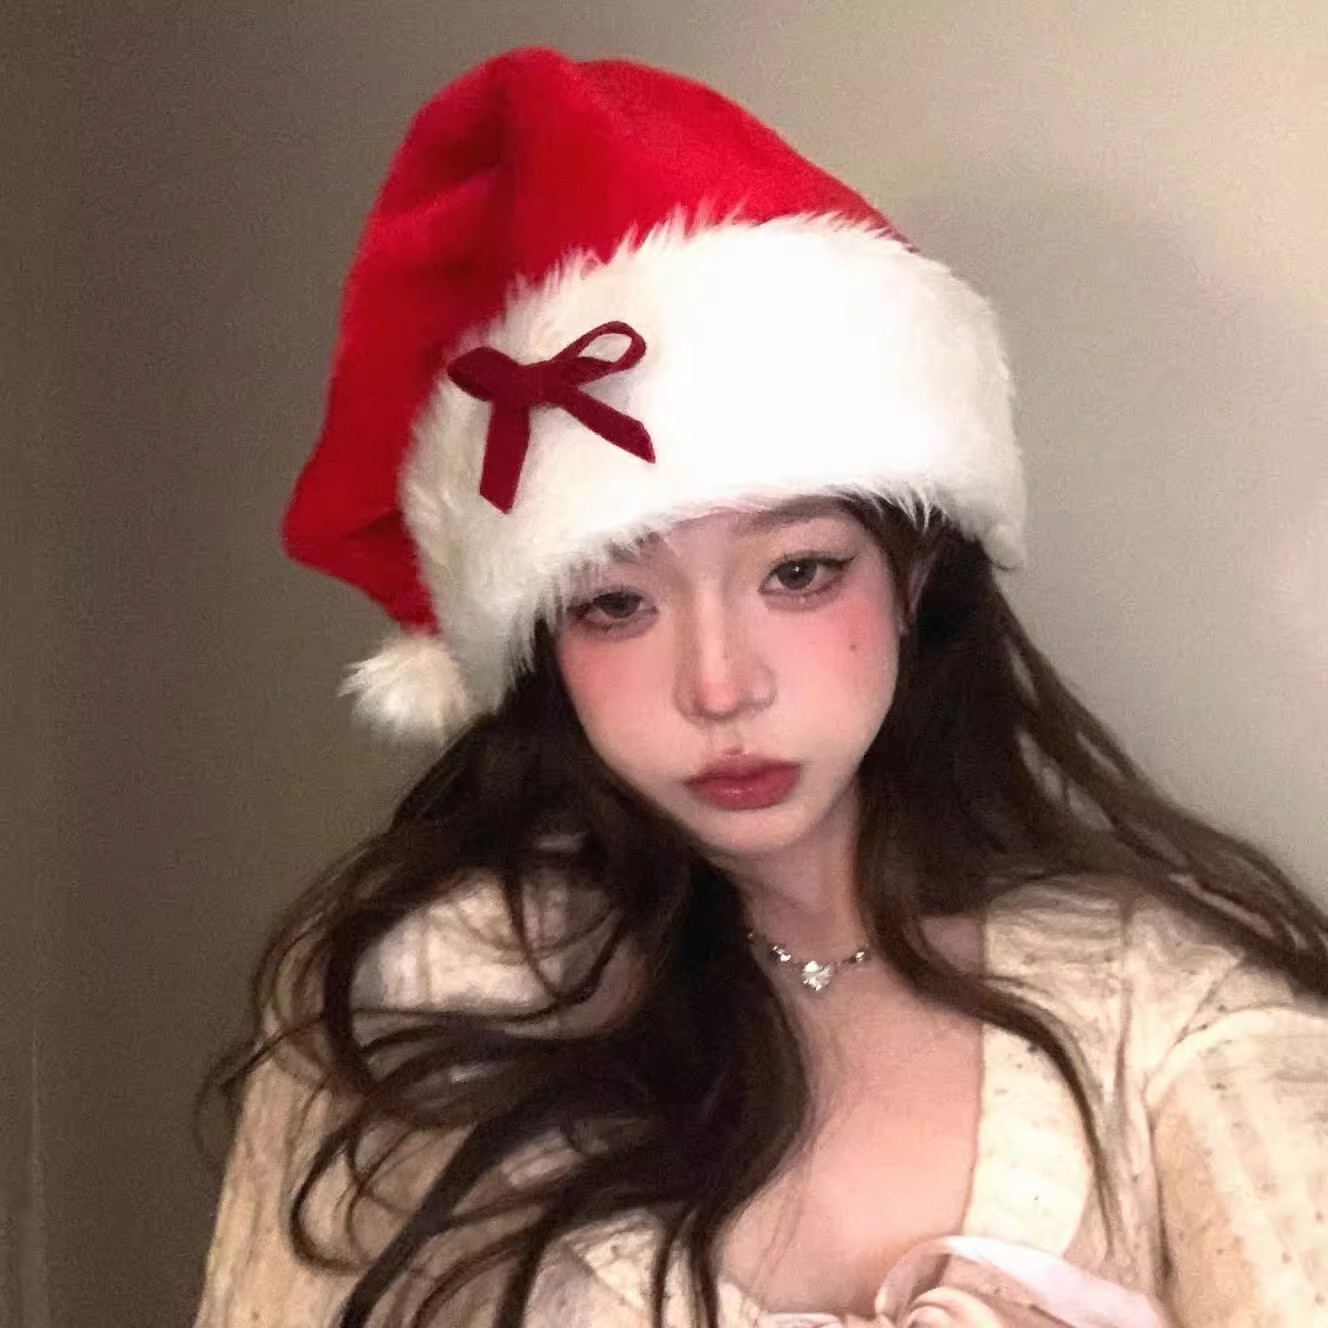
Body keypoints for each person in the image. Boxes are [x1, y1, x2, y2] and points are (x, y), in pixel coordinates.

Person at [191, 47, 1328, 1328]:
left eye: (796, 572)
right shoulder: (421, 999)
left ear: (911, 576)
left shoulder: (1162, 1007)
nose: (718, 685)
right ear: (540, 641)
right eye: (614, 602)